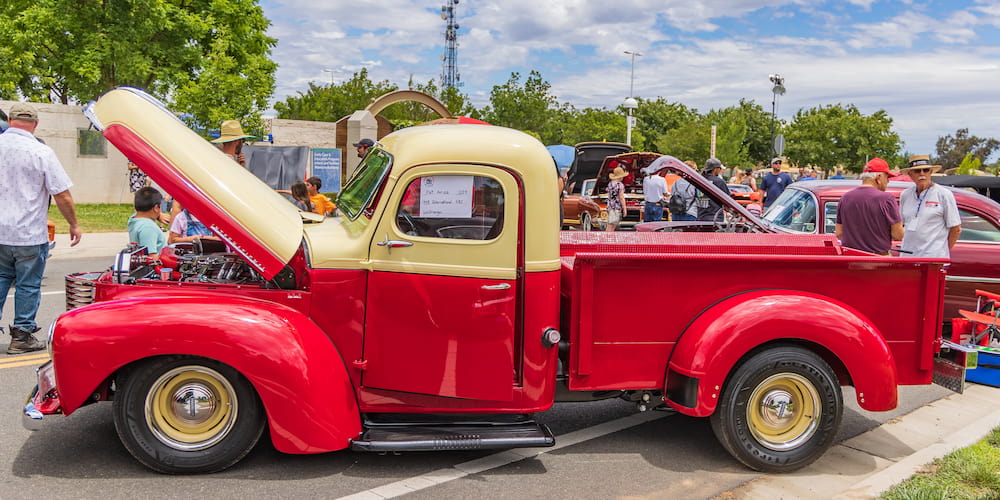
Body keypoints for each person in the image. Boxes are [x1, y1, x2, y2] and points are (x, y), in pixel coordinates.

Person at [0, 103, 82, 354]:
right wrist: (73, 224)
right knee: (27, 284)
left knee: (1, 279)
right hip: (28, 234)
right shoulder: (41, 152)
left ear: (10, 120)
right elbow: (62, 195)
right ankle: (22, 336)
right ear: (35, 125)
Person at [835, 158, 902, 255]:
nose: (888, 181)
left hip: (850, 259)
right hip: (878, 260)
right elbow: (898, 235)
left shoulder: (845, 198)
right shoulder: (887, 199)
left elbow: (839, 233)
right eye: (887, 177)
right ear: (878, 177)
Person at [900, 155, 962, 258]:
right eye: (917, 171)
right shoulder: (905, 195)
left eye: (926, 170)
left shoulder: (944, 194)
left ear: (931, 172)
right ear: (910, 174)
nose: (922, 174)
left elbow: (956, 228)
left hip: (933, 260)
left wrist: (942, 251)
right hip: (908, 258)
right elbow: (901, 225)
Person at [127, 186, 167, 258]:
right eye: (160, 207)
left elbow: (140, 213)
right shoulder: (148, 227)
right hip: (154, 267)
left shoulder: (133, 219)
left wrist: (158, 216)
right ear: (155, 208)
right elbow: (151, 257)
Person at [604, 166, 627, 231]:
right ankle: (607, 239)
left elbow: (609, 196)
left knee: (610, 224)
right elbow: (621, 197)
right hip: (616, 207)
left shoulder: (610, 184)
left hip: (610, 206)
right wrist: (624, 208)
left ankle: (607, 238)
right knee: (612, 225)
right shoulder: (620, 185)